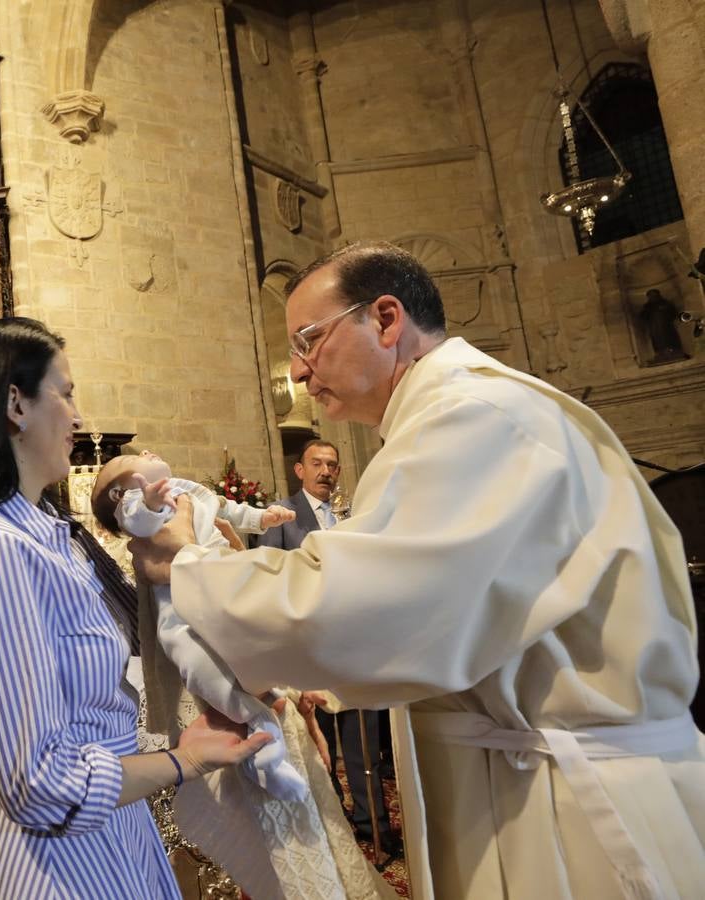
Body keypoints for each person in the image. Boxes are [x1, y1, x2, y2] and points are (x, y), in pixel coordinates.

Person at [133, 241, 705, 900]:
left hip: (573, 814)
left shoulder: (476, 416)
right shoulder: (448, 417)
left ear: (384, 319)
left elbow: (359, 608)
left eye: (309, 341)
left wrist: (190, 564)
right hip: (521, 780)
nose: (296, 371)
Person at [0, 317, 267, 899]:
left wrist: (168, 530)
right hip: (51, 863)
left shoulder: (56, 533)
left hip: (113, 832)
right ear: (15, 405)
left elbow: (150, 632)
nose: (79, 417)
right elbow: (37, 785)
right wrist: (183, 762)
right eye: (67, 393)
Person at [92, 451, 302, 798]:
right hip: (179, 611)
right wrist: (149, 503)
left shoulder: (187, 490)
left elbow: (230, 510)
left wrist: (263, 517)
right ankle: (262, 736)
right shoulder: (137, 500)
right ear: (120, 492)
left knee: (248, 653)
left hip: (217, 583)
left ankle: (264, 711)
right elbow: (139, 521)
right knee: (200, 668)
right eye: (128, 459)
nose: (144, 452)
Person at [258, 439, 396, 850]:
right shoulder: (281, 515)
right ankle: (334, 832)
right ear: (299, 470)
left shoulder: (352, 515)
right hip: (307, 651)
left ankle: (375, 826)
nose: (326, 471)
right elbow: (269, 577)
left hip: (354, 648)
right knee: (321, 748)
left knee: (364, 744)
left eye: (332, 465)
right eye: (316, 463)